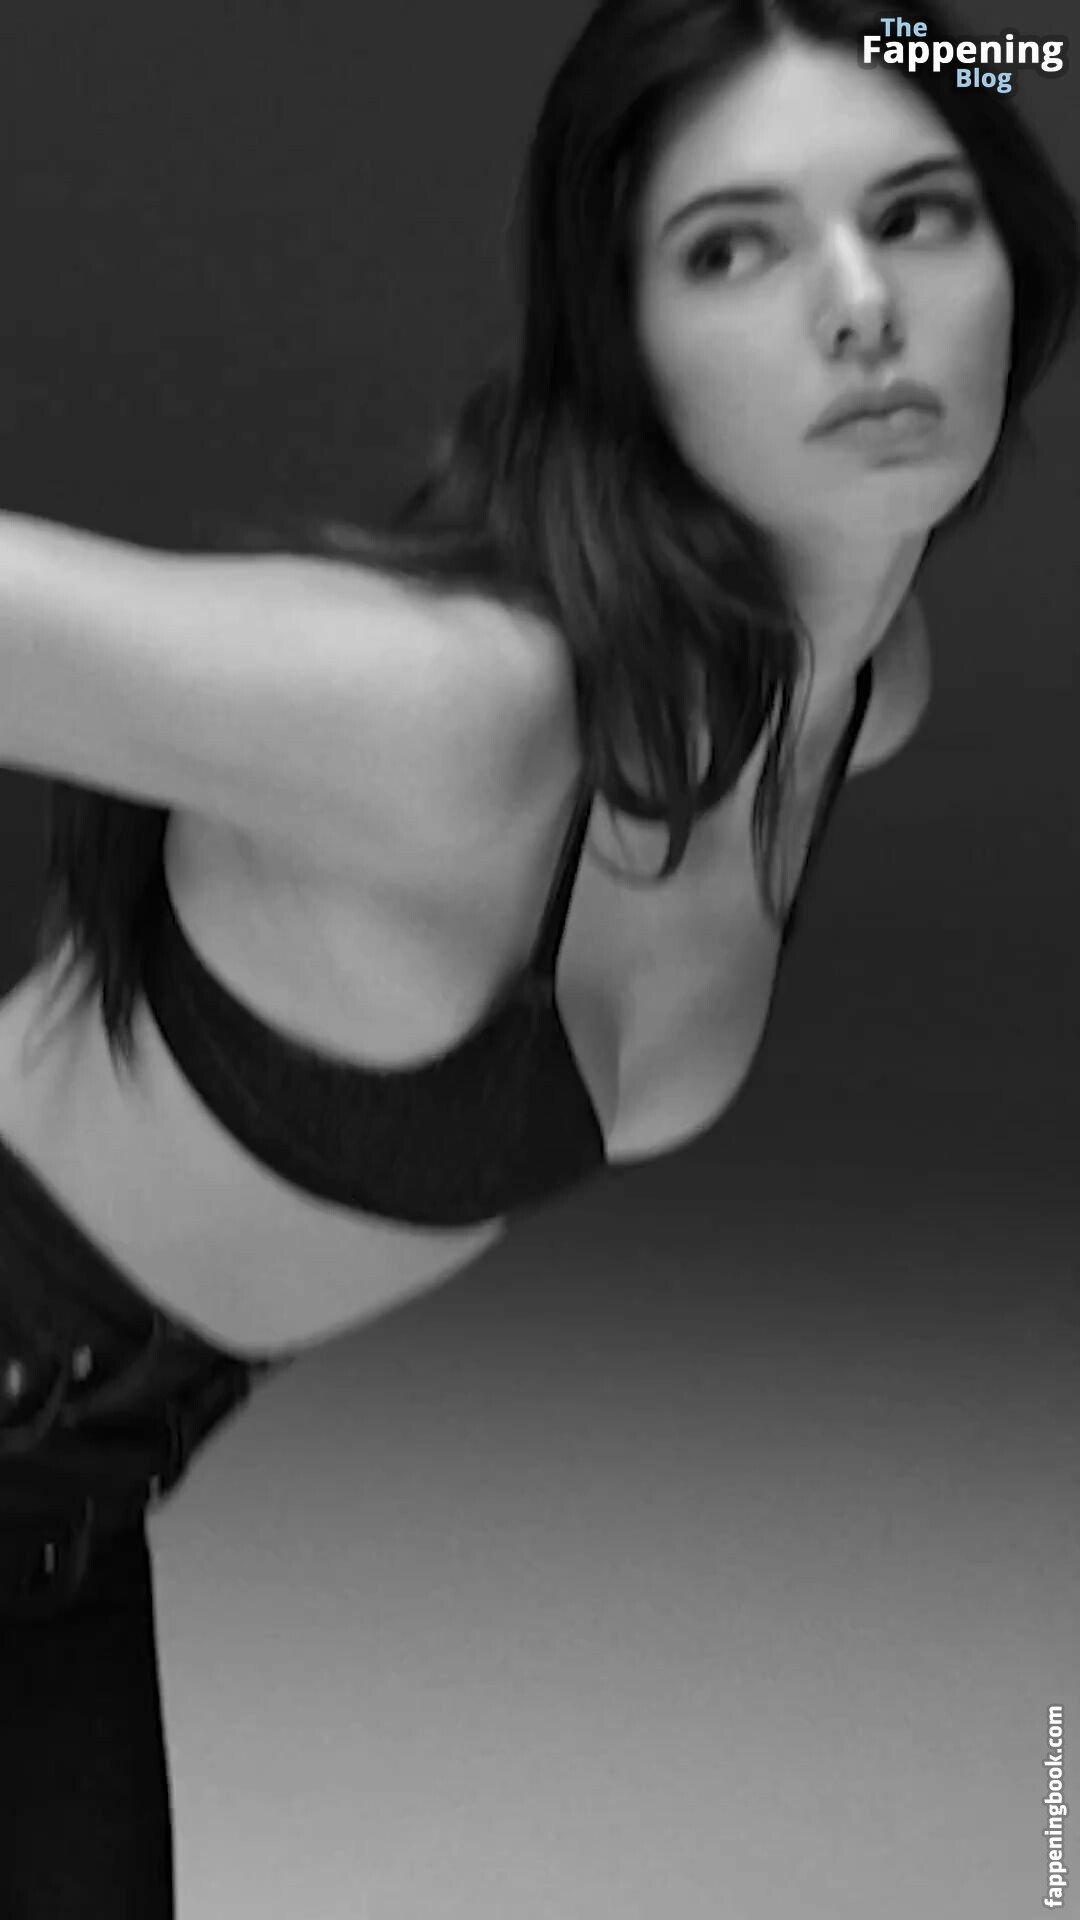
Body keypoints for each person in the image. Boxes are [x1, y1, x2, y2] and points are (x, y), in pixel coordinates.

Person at [0, 0, 1076, 1911]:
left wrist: (997, 55)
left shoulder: (855, 699)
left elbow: (1013, 69)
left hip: (55, 1523)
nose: (860, 307)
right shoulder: (451, 715)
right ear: (617, 337)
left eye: (917, 214)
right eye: (734, 247)